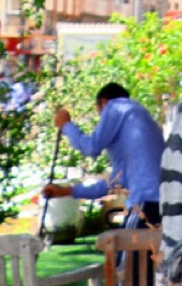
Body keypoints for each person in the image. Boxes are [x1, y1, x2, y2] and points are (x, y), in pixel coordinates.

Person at [44, 82, 165, 229]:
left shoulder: (115, 106)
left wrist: (66, 126)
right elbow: (115, 183)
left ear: (103, 102)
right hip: (162, 201)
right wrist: (65, 191)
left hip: (144, 201)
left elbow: (91, 147)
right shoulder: (139, 115)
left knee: (128, 249)